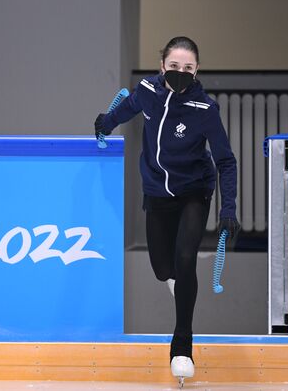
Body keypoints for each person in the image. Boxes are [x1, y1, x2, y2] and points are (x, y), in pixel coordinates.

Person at [94, 36, 240, 380]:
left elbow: (226, 161)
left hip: (194, 191)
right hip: (157, 191)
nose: (180, 72)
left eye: (188, 68)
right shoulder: (147, 90)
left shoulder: (205, 110)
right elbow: (127, 108)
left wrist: (228, 209)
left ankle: (182, 349)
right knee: (163, 268)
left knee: (185, 259)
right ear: (162, 65)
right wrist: (107, 121)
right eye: (174, 66)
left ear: (197, 70)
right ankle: (177, 279)